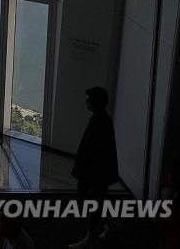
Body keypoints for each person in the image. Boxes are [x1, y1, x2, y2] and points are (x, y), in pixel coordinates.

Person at [68, 86, 119, 249]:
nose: (86, 102)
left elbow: (95, 155)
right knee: (97, 202)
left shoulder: (99, 123)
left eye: (90, 99)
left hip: (93, 175)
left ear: (97, 103)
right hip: (95, 175)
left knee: (93, 203)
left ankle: (91, 239)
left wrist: (88, 180)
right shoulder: (102, 120)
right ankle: (109, 225)